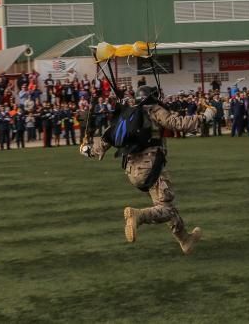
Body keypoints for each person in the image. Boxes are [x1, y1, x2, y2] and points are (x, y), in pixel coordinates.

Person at [82, 85, 214, 255]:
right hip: (151, 168)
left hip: (131, 169)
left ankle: (185, 240)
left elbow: (107, 138)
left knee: (164, 204)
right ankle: (138, 216)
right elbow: (177, 123)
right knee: (165, 208)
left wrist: (87, 149)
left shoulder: (129, 113)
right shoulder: (154, 110)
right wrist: (205, 117)